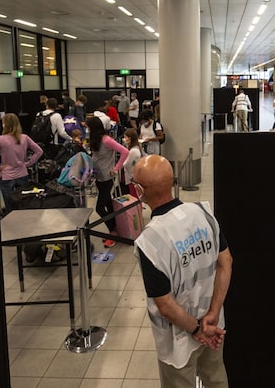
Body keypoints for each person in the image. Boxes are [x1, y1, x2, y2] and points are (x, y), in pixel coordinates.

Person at [132, 154, 232, 388]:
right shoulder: (203, 213)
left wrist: (197, 329)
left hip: (177, 339)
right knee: (216, 377)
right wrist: (213, 314)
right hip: (214, 323)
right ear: (173, 182)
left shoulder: (150, 241)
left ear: (139, 190)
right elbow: (226, 261)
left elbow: (165, 306)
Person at [0, 113, 44, 210]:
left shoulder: (0, 139)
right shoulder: (25, 138)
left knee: (9, 206)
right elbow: (39, 151)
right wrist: (28, 164)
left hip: (6, 176)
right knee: (23, 203)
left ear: (5, 124)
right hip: (22, 173)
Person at [86, 116, 129, 248]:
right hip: (98, 176)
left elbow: (124, 152)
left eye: (88, 127)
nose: (87, 130)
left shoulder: (107, 140)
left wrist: (116, 168)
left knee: (100, 207)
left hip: (107, 177)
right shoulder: (96, 140)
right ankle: (116, 229)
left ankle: (113, 232)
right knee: (109, 204)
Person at [121, 128, 143, 195]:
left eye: (125, 137)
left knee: (134, 196)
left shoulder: (133, 151)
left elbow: (126, 164)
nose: (124, 139)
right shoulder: (135, 149)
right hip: (133, 176)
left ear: (130, 139)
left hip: (132, 177)